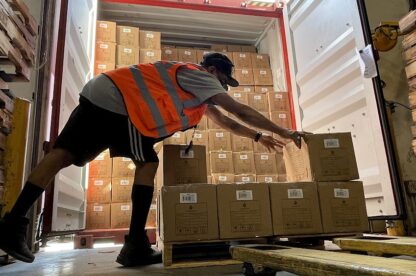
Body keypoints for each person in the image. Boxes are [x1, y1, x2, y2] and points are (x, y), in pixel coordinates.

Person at [0, 53, 306, 267]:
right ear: (213, 71)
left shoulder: (196, 93)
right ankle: (134, 244)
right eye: (224, 80)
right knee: (147, 164)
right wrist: (284, 130)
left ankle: (12, 224)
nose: (224, 88)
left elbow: (227, 122)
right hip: (123, 105)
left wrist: (257, 138)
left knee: (62, 154)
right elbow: (238, 111)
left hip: (100, 95)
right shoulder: (198, 76)